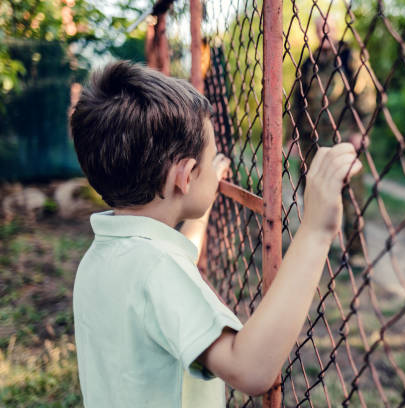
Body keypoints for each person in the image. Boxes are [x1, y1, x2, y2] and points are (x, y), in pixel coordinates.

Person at [69, 61, 362, 407]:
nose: (215, 169)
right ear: (186, 177)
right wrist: (315, 231)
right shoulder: (157, 271)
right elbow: (249, 368)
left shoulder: (104, 258)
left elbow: (168, 277)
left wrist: (197, 213)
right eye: (208, 161)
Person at [293, 16, 375, 267]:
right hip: (311, 140)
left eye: (328, 27)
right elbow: (297, 102)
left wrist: (361, 129)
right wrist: (292, 137)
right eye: (319, 28)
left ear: (337, 30)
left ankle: (356, 252)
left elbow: (367, 94)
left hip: (343, 138)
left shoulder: (351, 59)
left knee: (351, 195)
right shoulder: (309, 64)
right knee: (312, 191)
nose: (324, 32)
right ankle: (319, 244)